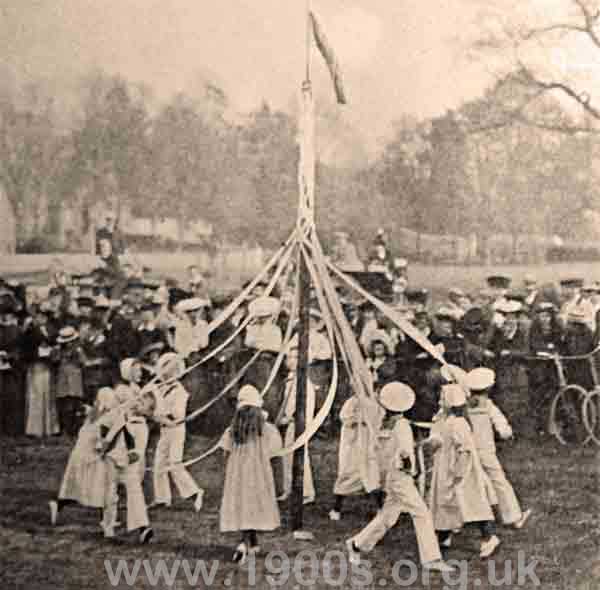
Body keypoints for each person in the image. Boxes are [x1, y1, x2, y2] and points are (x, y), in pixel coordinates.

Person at [346, 382, 454, 573]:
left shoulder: (384, 425)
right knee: (421, 513)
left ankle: (356, 544)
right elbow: (404, 452)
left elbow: (384, 453)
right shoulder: (402, 425)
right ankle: (432, 559)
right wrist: (412, 466)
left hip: (391, 476)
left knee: (387, 517)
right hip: (400, 477)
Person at [423, 384, 500, 558]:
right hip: (445, 467)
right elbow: (438, 439)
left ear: (451, 402)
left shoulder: (458, 424)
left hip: (462, 471)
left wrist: (459, 472)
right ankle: (443, 535)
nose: (439, 401)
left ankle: (489, 537)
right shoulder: (442, 420)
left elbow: (464, 450)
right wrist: (429, 443)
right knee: (444, 502)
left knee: (472, 503)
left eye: (442, 398)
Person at [219, 384, 283, 565]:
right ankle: (243, 544)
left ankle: (252, 541)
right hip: (259, 474)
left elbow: (225, 453)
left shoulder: (232, 430)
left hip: (238, 474)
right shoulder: (267, 430)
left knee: (243, 506)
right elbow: (275, 454)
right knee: (253, 506)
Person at [465, 368, 532, 529]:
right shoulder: (488, 405)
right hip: (485, 449)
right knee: (498, 481)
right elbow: (501, 425)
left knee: (465, 481)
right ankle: (513, 517)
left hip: (467, 449)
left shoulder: (463, 404)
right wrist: (506, 433)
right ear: (489, 388)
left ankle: (456, 522)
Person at [151, 353, 204, 511]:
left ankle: (194, 492)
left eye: (172, 369)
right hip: (165, 429)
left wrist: (159, 412)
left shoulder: (180, 391)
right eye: (165, 369)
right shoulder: (160, 388)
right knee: (159, 463)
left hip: (176, 430)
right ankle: (162, 498)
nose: (167, 373)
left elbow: (177, 415)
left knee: (175, 463)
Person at [329, 390, 385, 521]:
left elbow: (380, 418)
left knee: (372, 475)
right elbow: (345, 418)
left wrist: (372, 420)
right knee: (347, 473)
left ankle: (381, 509)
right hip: (353, 444)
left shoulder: (376, 402)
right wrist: (358, 418)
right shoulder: (352, 401)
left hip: (368, 443)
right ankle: (336, 508)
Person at [23, 304, 60, 438]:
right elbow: (25, 349)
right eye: (39, 316)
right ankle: (35, 429)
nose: (41, 318)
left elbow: (57, 343)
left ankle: (50, 427)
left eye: (44, 316)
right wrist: (37, 354)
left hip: (48, 366)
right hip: (36, 365)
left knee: (48, 395)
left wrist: (52, 352)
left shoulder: (52, 329)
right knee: (36, 395)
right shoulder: (30, 331)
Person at [55, 326, 87, 437]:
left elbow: (84, 362)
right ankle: (66, 429)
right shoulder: (59, 350)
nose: (68, 344)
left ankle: (73, 430)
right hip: (63, 377)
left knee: (74, 403)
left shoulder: (78, 350)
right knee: (64, 403)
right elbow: (55, 360)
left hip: (74, 377)